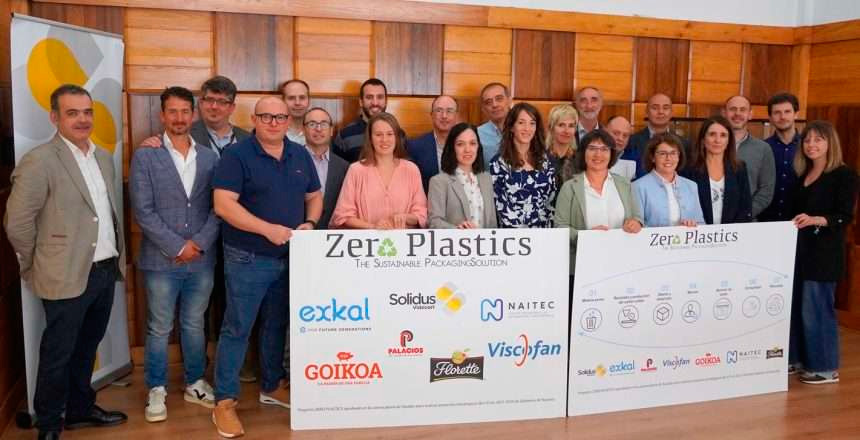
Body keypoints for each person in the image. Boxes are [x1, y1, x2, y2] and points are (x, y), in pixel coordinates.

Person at [5, 84, 128, 440]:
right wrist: (36, 263)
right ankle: (48, 423)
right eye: (72, 113)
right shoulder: (40, 160)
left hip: (104, 270)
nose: (82, 119)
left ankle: (79, 409)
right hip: (63, 274)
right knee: (58, 353)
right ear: (54, 117)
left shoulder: (103, 157)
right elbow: (17, 223)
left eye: (87, 112)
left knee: (87, 346)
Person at [210, 96, 322, 438]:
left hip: (290, 257)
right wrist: (266, 229)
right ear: (254, 120)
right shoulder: (236, 155)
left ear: (289, 120)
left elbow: (314, 195)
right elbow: (223, 205)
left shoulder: (299, 154)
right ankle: (224, 401)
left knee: (277, 324)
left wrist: (311, 223)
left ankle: (272, 386)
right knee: (237, 328)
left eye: (280, 117)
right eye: (267, 117)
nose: (274, 123)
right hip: (248, 256)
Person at [129, 86, 219, 422]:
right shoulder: (146, 155)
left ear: (193, 115)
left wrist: (198, 244)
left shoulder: (209, 157)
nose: (179, 118)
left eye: (185, 111)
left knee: (194, 323)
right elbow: (143, 210)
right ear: (162, 115)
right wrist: (178, 246)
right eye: (173, 112)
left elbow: (218, 207)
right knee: (159, 327)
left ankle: (195, 381)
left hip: (202, 258)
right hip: (160, 260)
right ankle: (156, 388)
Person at [789, 120, 858, 385]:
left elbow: (845, 215)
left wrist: (817, 219)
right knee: (798, 308)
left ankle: (825, 367)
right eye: (807, 140)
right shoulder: (803, 175)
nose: (811, 145)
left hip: (824, 255)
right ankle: (799, 360)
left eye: (818, 139)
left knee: (817, 310)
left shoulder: (844, 175)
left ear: (830, 143)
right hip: (800, 253)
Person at [554, 129, 643, 286]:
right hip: (582, 266)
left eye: (604, 149)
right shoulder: (570, 187)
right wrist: (586, 237)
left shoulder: (624, 184)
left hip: (621, 264)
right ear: (583, 153)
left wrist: (636, 222)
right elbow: (560, 226)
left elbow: (638, 217)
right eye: (592, 148)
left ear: (611, 154)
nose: (598, 154)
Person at [330, 112, 428, 229]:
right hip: (366, 239)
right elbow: (342, 216)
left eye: (390, 134)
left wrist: (406, 217)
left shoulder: (411, 169)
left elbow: (422, 214)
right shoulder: (356, 170)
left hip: (403, 239)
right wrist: (373, 227)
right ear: (370, 139)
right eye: (378, 135)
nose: (384, 139)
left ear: (397, 137)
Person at [490, 102, 557, 228]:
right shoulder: (498, 163)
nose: (527, 128)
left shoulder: (547, 161)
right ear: (511, 127)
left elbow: (551, 201)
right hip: (513, 235)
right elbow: (500, 206)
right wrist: (525, 234)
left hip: (545, 233)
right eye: (521, 123)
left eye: (532, 123)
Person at [681, 116, 752, 225]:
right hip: (699, 232)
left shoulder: (739, 168)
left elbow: (745, 207)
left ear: (729, 141)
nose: (717, 140)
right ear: (703, 139)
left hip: (732, 232)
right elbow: (684, 206)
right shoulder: (688, 169)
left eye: (723, 135)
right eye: (712, 134)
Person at [428, 123, 497, 229]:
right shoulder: (439, 182)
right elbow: (434, 222)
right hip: (453, 239)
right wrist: (457, 230)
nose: (467, 149)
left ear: (478, 146)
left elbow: (492, 223)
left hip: (485, 240)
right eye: (460, 144)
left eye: (472, 143)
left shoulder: (486, 178)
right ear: (452, 147)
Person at [632, 133, 704, 227]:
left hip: (686, 237)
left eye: (673, 153)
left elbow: (701, 223)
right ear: (652, 157)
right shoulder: (638, 186)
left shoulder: (691, 186)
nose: (668, 158)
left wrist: (693, 224)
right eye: (662, 153)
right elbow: (637, 225)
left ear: (679, 157)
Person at [722, 95, 776, 219]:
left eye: (743, 109)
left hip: (746, 222)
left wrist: (745, 213)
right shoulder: (711, 145)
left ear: (750, 114)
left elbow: (766, 191)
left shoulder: (763, 149)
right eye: (733, 109)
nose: (737, 113)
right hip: (711, 222)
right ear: (724, 113)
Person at [303, 107, 349, 230]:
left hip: (332, 235)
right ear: (304, 129)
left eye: (323, 124)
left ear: (331, 130)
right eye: (312, 124)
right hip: (298, 233)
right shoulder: (291, 161)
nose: (318, 129)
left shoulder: (344, 167)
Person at [626, 93, 690, 178]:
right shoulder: (631, 141)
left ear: (671, 112)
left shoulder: (685, 144)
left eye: (665, 108)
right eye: (655, 108)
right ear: (647, 112)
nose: (660, 112)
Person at [760, 92, 801, 222]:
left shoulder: (808, 147)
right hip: (766, 220)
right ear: (770, 117)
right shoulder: (762, 148)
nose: (782, 117)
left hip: (800, 221)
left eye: (787, 112)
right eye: (777, 112)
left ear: (796, 114)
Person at [407, 95, 459, 192]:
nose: (444, 116)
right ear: (431, 115)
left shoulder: (467, 146)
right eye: (439, 110)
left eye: (449, 111)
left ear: (456, 116)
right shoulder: (414, 147)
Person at [333, 78, 392, 163]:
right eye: (369, 97)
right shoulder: (344, 136)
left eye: (380, 97)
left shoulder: (397, 133)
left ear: (386, 101)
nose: (375, 103)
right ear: (361, 102)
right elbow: (337, 169)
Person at [191, 75, 251, 156]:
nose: (214, 107)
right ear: (201, 103)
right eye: (209, 100)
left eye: (221, 101)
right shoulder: (187, 135)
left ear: (232, 108)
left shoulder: (248, 139)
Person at [477, 82, 511, 164]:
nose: (494, 105)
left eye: (499, 99)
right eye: (488, 102)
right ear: (483, 109)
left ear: (509, 100)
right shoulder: (477, 134)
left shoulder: (526, 129)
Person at [545, 104, 579, 185]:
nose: (566, 131)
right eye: (561, 125)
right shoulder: (539, 157)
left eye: (571, 126)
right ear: (551, 127)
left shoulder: (580, 159)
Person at [280, 79, 310, 145]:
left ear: (309, 101)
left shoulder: (318, 131)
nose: (297, 103)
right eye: (291, 98)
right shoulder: (273, 131)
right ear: (283, 101)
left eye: (302, 97)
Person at [606, 115, 636, 180]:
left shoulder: (635, 158)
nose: (620, 138)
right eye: (616, 133)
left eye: (625, 135)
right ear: (605, 132)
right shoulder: (595, 154)